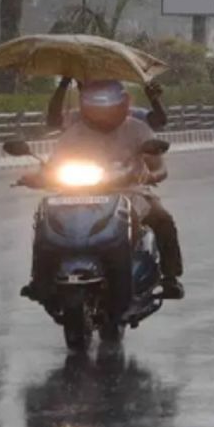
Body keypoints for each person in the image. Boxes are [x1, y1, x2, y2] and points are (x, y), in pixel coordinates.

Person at [25, 79, 184, 300]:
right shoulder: (74, 130)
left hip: (130, 190)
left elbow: (159, 166)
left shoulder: (138, 128)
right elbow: (54, 163)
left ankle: (170, 277)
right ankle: (39, 279)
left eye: (107, 104)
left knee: (162, 219)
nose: (102, 112)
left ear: (123, 103)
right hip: (78, 192)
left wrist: (151, 175)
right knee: (45, 219)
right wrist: (38, 177)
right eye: (95, 104)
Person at [46, 76, 168, 131]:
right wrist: (63, 83)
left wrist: (154, 99)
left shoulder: (130, 115)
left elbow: (160, 120)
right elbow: (53, 121)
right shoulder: (79, 118)